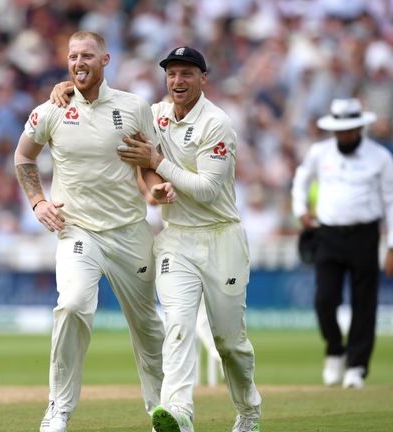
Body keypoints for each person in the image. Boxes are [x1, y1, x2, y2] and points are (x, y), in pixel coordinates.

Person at [14, 32, 174, 432]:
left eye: (87, 55)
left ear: (106, 59)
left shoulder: (134, 107)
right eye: (72, 56)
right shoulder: (51, 109)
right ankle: (58, 410)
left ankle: (161, 412)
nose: (78, 62)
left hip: (129, 232)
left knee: (148, 328)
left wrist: (154, 186)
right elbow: (23, 157)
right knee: (71, 305)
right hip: (78, 229)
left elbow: (148, 164)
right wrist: (37, 202)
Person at [114, 46, 263, 432]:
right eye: (172, 74)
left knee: (229, 343)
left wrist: (157, 164)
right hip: (176, 239)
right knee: (177, 326)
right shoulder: (155, 115)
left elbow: (209, 190)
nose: (177, 82)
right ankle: (178, 412)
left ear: (203, 79)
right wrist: (153, 189)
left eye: (186, 74)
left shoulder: (217, 123)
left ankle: (248, 410)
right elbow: (137, 159)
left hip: (221, 237)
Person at [290, 98, 393, 389]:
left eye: (350, 130)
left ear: (360, 128)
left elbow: (392, 201)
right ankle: (335, 350)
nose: (345, 136)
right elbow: (300, 180)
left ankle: (357, 366)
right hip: (327, 234)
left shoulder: (380, 157)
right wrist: (301, 210)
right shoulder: (319, 152)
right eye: (340, 130)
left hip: (365, 234)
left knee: (365, 303)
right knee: (324, 300)